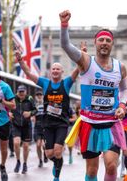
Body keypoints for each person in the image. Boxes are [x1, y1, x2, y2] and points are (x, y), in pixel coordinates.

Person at [59, 10, 127, 181]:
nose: (104, 43)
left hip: (111, 123)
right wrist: (64, 25)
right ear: (95, 43)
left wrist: (121, 106)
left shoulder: (121, 67)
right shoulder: (85, 61)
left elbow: (124, 90)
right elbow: (66, 46)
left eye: (108, 41)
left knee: (111, 166)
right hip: (90, 124)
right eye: (101, 40)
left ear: (112, 44)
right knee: (91, 170)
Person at [16, 50, 79, 180]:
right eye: (53, 69)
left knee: (57, 151)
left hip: (61, 123)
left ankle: (56, 176)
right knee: (49, 154)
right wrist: (20, 60)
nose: (55, 71)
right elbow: (28, 73)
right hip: (48, 123)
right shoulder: (45, 83)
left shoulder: (66, 83)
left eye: (58, 69)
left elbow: (78, 70)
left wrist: (82, 54)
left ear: (62, 72)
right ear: (51, 71)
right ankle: (57, 164)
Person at [9, 85, 37, 174]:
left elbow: (35, 110)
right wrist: (8, 113)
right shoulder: (12, 98)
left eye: (23, 92)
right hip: (16, 124)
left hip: (26, 125)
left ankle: (25, 163)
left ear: (25, 92)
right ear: (17, 92)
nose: (21, 93)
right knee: (16, 143)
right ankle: (18, 162)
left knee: (25, 146)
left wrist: (30, 113)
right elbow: (6, 107)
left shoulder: (30, 99)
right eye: (19, 92)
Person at [33, 90, 48, 168]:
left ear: (43, 96)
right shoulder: (34, 105)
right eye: (37, 95)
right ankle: (40, 160)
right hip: (37, 126)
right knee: (38, 145)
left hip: (45, 126)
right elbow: (32, 114)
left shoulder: (46, 104)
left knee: (44, 144)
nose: (39, 96)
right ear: (35, 96)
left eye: (40, 95)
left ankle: (45, 154)